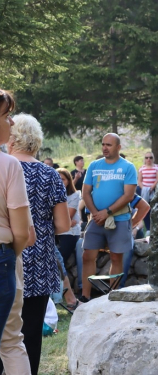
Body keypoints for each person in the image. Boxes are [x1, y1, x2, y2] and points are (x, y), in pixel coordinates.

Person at [7, 113, 70, 375]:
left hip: (9, 257)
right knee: (31, 331)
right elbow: (64, 225)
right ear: (36, 140)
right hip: (40, 262)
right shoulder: (50, 175)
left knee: (5, 333)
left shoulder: (4, 169)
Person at [0, 91, 34, 375]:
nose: (11, 123)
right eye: (6, 115)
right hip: (2, 258)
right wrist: (11, 255)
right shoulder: (9, 165)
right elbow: (22, 232)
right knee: (10, 343)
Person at [80, 133, 137, 303]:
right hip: (96, 219)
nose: (105, 147)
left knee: (116, 257)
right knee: (87, 255)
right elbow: (85, 192)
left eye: (109, 145)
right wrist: (96, 214)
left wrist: (107, 212)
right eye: (103, 144)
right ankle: (85, 297)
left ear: (118, 147)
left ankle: (113, 297)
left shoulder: (128, 167)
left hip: (118, 219)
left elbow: (128, 196)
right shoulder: (94, 165)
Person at [55, 168, 81, 265]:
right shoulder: (48, 195)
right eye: (57, 179)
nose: (59, 182)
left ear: (69, 181)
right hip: (53, 232)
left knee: (59, 262)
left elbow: (66, 217)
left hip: (69, 232)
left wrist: (66, 222)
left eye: (62, 179)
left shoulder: (74, 195)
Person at [138, 151, 158, 231]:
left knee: (154, 209)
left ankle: (155, 228)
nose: (148, 159)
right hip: (144, 191)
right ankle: (148, 228)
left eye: (150, 157)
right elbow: (139, 181)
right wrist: (144, 188)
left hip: (154, 190)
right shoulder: (141, 168)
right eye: (147, 157)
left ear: (153, 158)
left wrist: (151, 188)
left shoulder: (157, 167)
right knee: (145, 209)